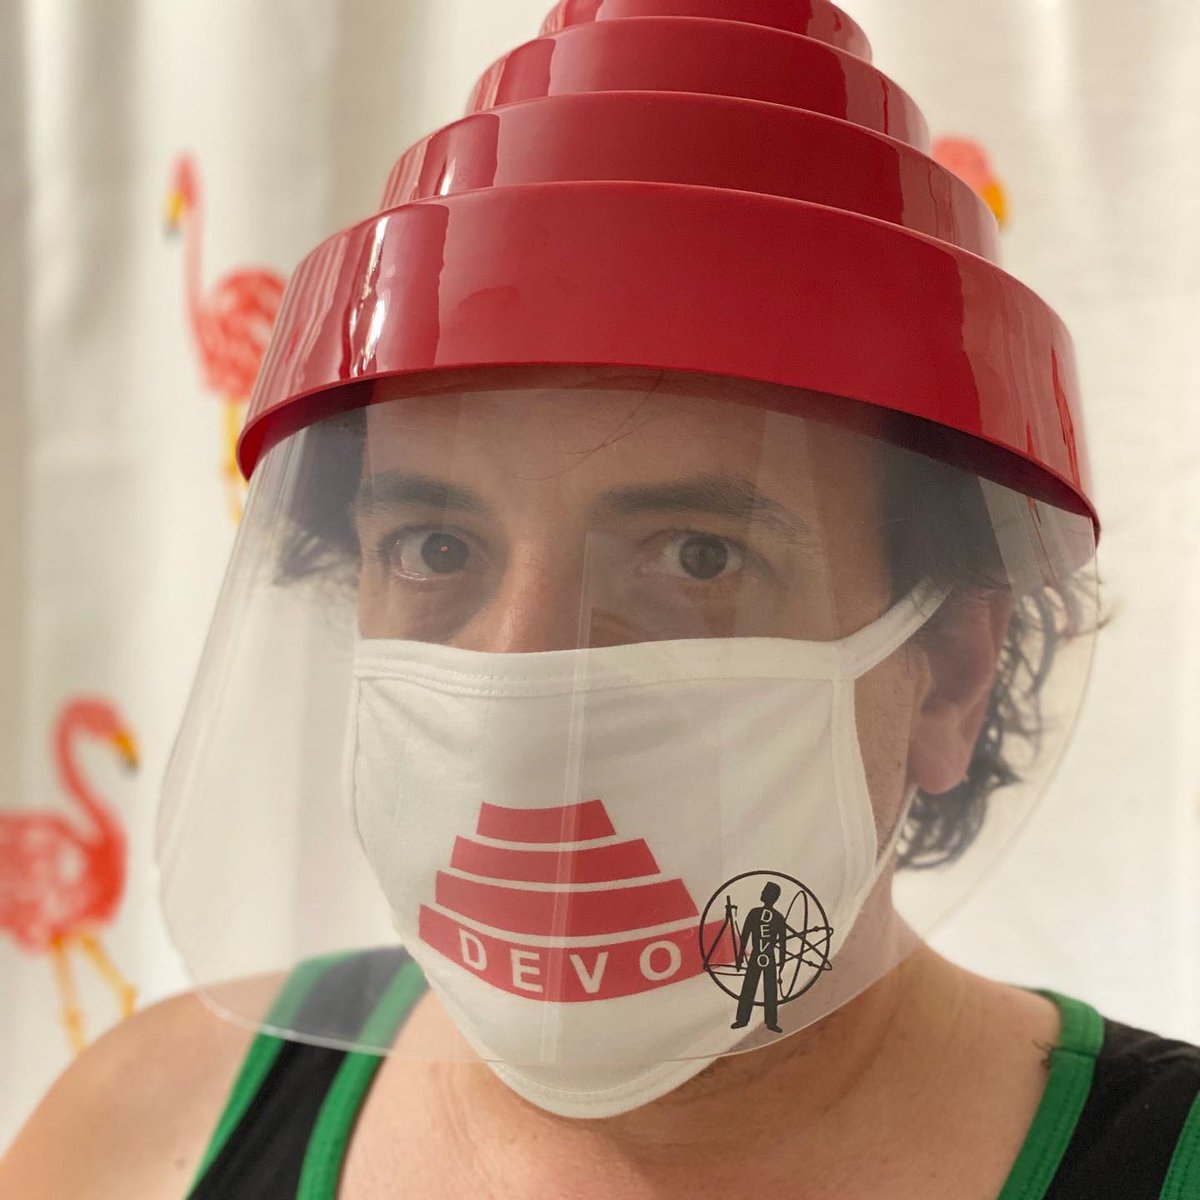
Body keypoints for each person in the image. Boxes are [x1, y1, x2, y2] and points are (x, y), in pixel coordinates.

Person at [5, 1, 1200, 1197]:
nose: (521, 708)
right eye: (434, 549)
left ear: (948, 673)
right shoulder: (140, 1135)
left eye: (699, 558)